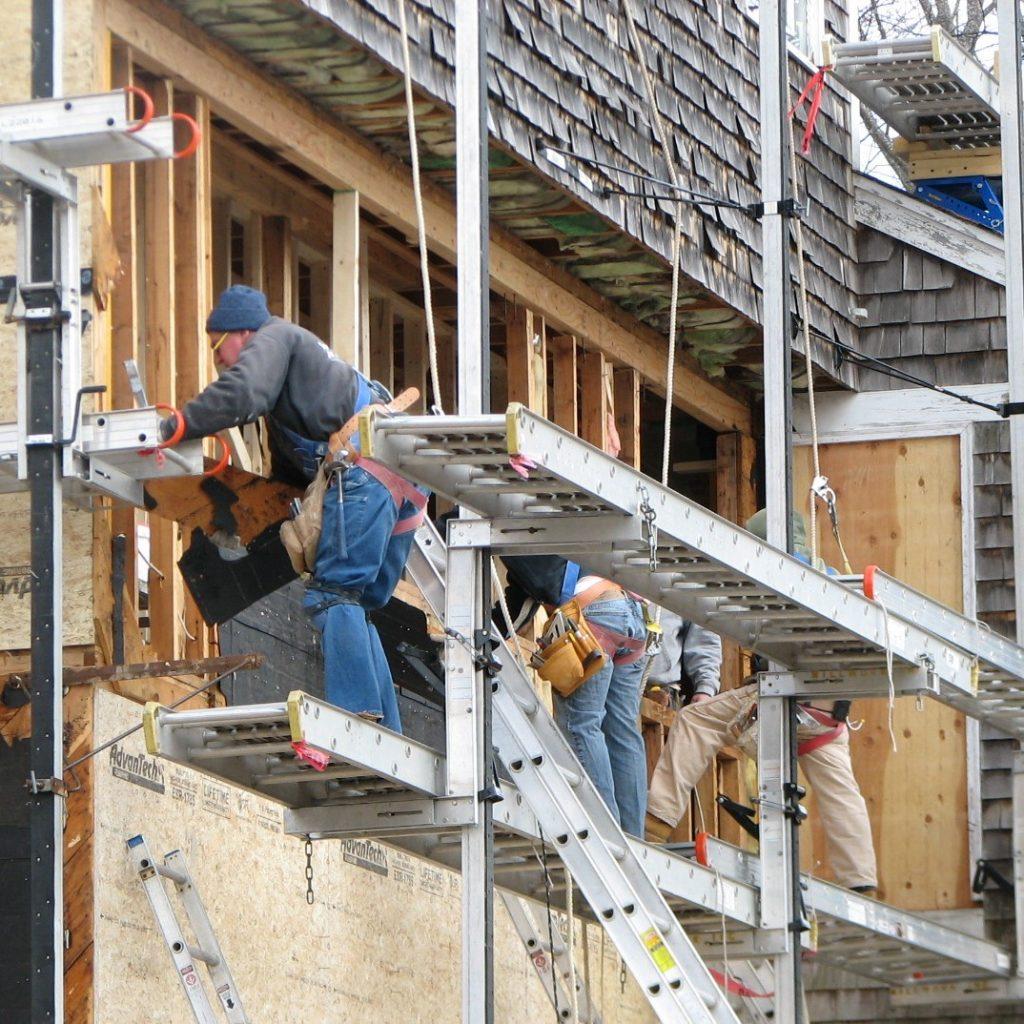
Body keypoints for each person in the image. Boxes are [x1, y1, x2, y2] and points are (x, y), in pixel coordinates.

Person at [161, 285, 427, 733]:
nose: (220, 360)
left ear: (241, 333)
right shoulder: (305, 379)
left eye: (218, 347)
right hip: (400, 482)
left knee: (332, 594)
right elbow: (293, 478)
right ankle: (388, 731)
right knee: (356, 605)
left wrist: (181, 424)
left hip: (365, 470)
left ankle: (358, 720)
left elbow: (244, 391)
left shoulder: (274, 337)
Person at [645, 511, 878, 893]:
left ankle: (656, 820)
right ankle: (860, 878)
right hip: (830, 715)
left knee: (696, 720)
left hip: (785, 698)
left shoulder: (774, 576)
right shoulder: (834, 578)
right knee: (841, 792)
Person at [500, 554, 650, 838]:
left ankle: (605, 835)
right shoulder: (557, 538)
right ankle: (633, 839)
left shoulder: (518, 543)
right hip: (635, 615)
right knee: (623, 731)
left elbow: (519, 607)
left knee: (581, 724)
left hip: (594, 613)